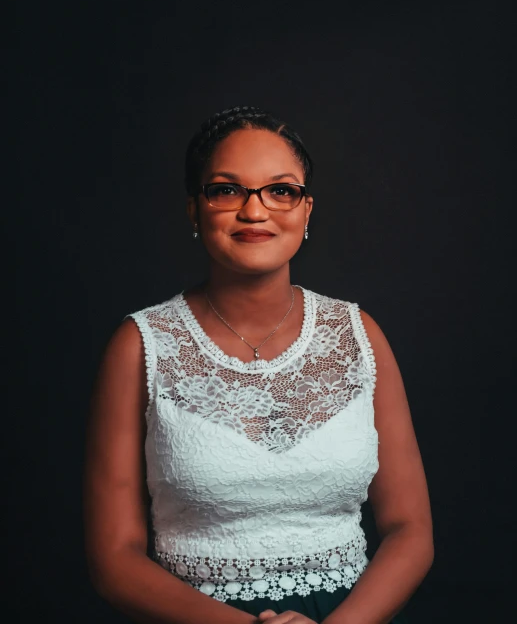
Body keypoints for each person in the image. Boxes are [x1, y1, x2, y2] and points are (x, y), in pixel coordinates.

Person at [83, 106, 434, 624]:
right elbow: (114, 559)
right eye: (227, 190)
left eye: (281, 190)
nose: (255, 211)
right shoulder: (139, 344)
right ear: (193, 210)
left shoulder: (359, 335)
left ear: (307, 210)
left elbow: (411, 529)